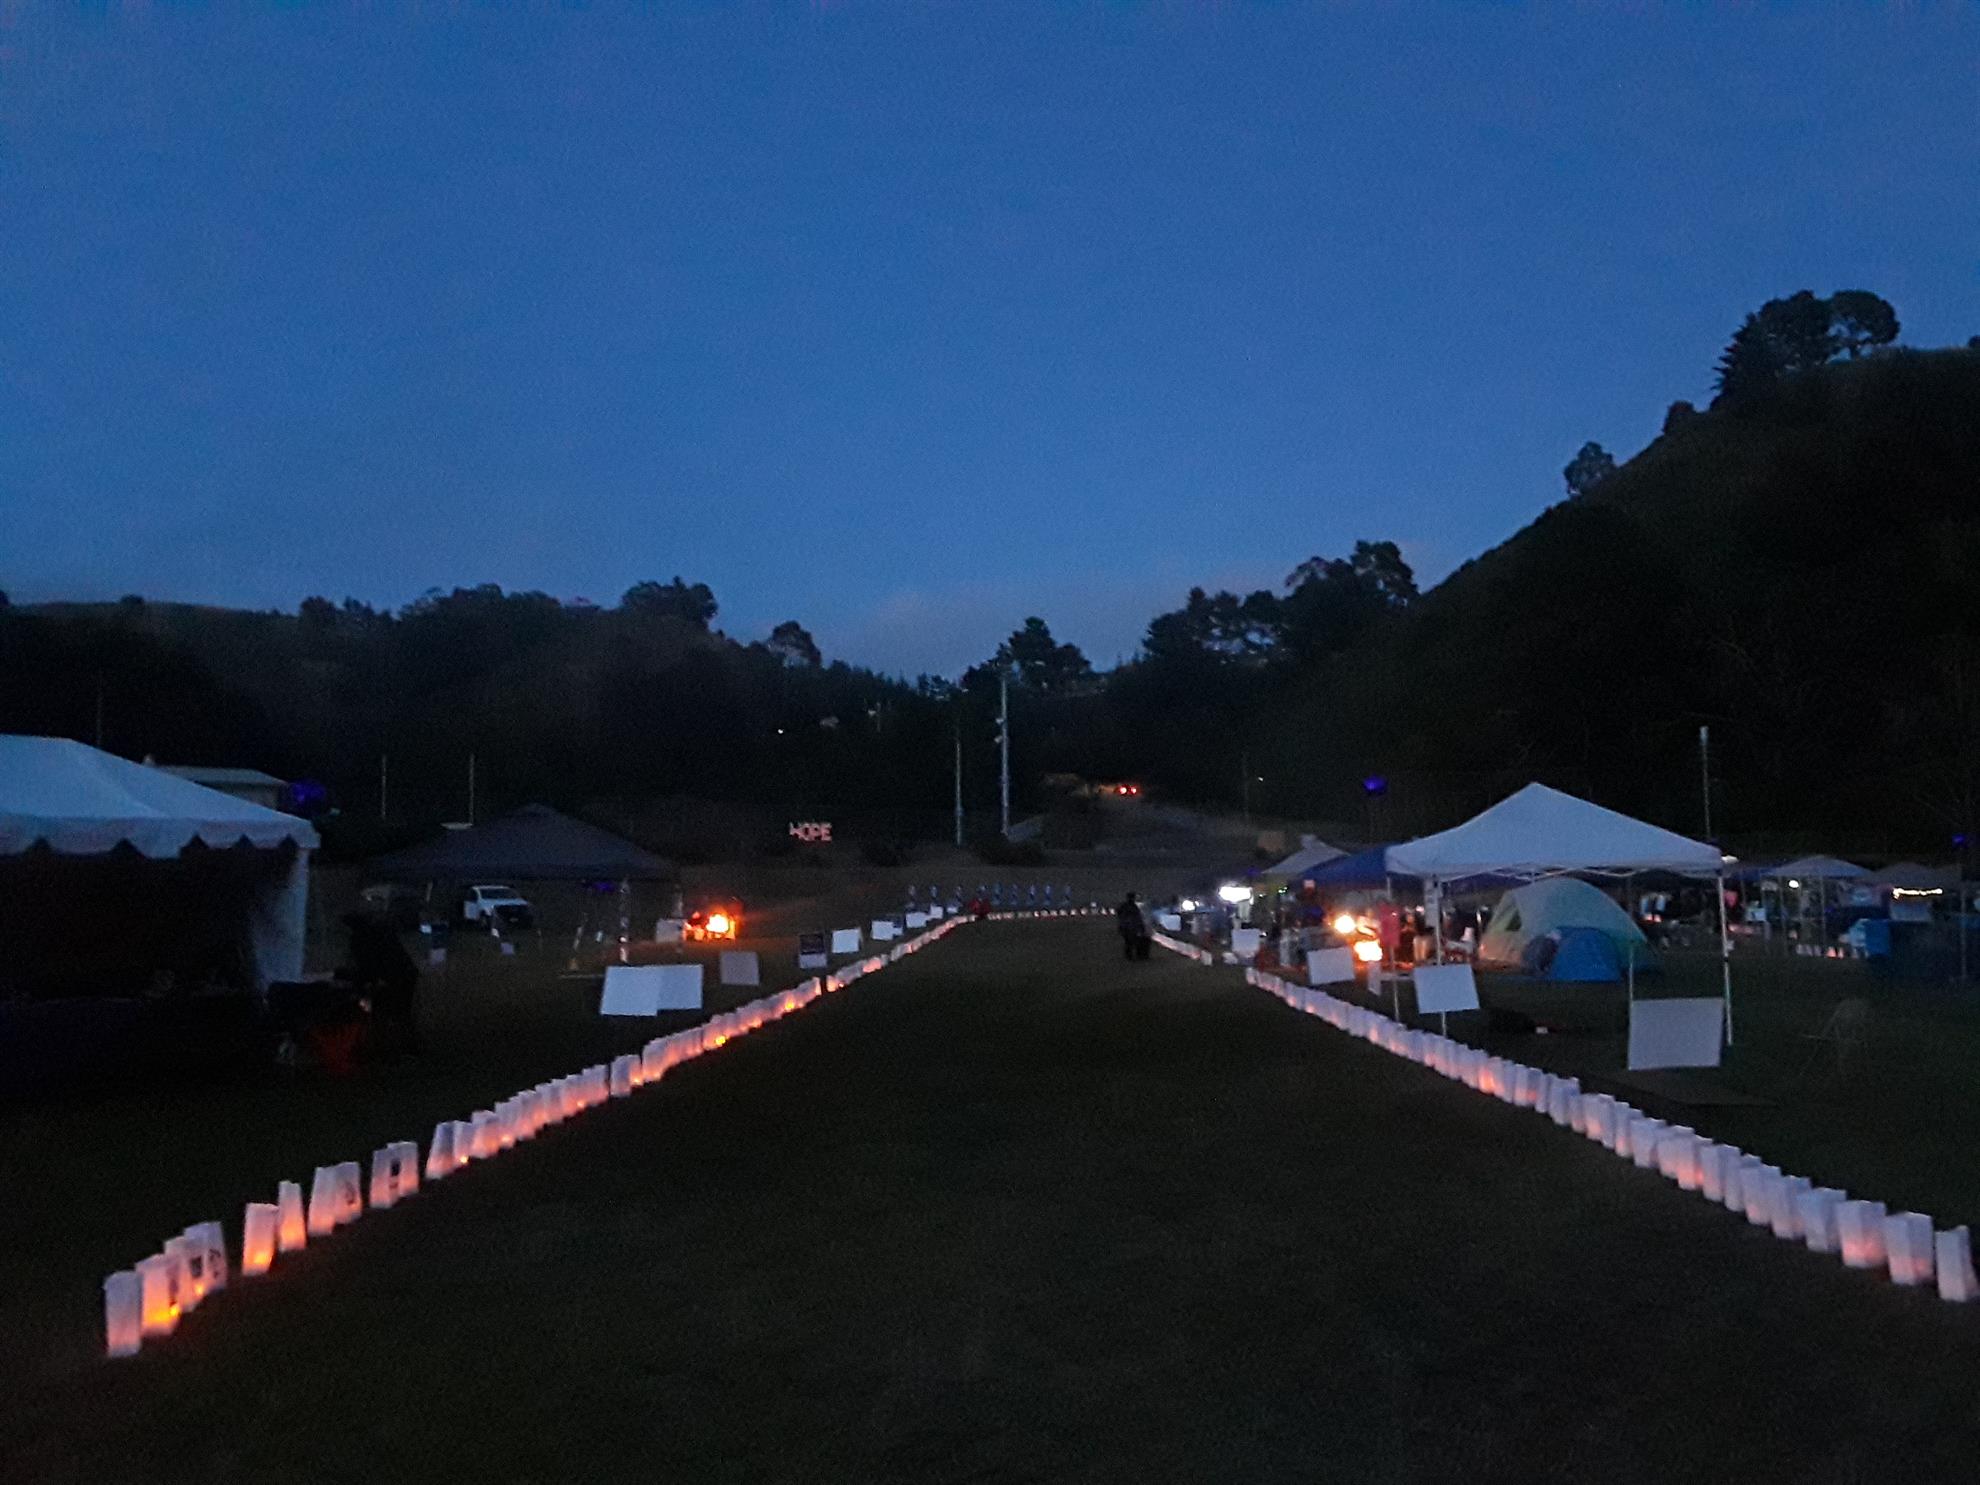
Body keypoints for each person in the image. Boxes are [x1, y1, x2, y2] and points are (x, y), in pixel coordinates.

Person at [337, 911, 422, 1054]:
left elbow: (369, 967)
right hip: (404, 974)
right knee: (401, 1013)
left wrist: (357, 981)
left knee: (386, 1012)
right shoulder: (377, 933)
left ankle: (383, 1046)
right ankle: (405, 1045)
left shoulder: (362, 938)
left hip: (397, 977)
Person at [1116, 891, 1151, 961]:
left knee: (1128, 942)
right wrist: (1141, 927)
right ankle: (1134, 956)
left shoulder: (1123, 906)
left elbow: (1119, 915)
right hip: (1132, 927)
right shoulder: (1134, 907)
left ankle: (1129, 956)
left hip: (1125, 926)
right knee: (1132, 941)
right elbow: (1137, 918)